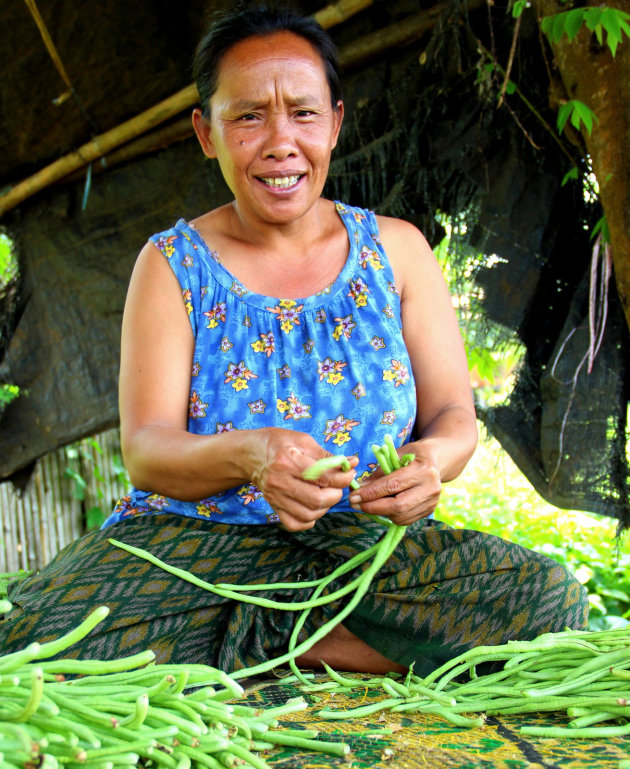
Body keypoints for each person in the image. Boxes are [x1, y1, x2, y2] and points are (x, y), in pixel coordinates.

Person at [0, 6, 587, 676]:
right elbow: (146, 450)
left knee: (545, 601)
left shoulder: (398, 252)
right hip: (197, 549)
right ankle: (306, 643)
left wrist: (431, 464)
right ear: (206, 133)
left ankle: (254, 644)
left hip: (362, 553)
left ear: (335, 122)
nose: (281, 142)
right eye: (249, 116)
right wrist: (251, 455)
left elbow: (455, 415)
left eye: (303, 113)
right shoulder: (171, 264)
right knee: (42, 631)